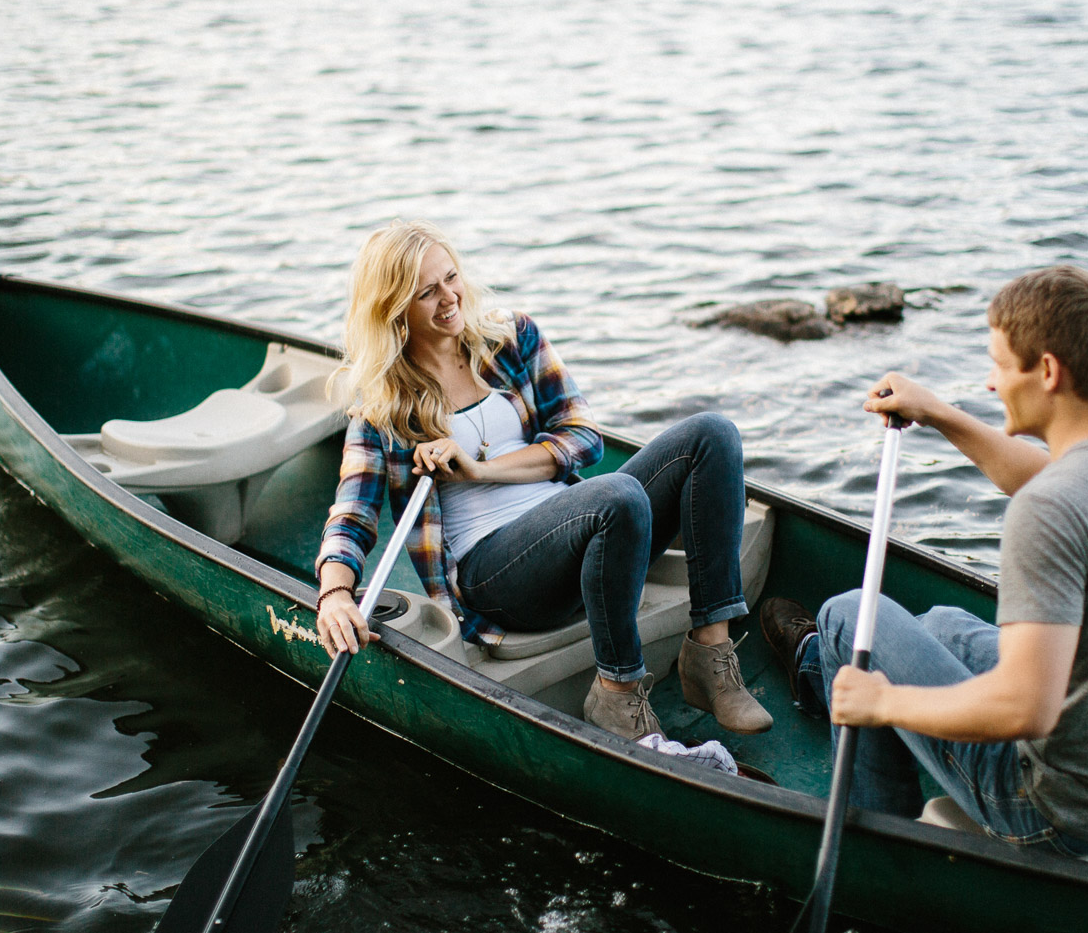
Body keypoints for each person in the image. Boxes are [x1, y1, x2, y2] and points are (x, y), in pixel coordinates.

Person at [761, 265, 1088, 856]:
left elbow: (1027, 707)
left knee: (850, 613)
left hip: (1055, 809)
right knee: (942, 623)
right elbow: (1058, 478)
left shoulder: (1050, 511)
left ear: (1047, 371)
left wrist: (884, 702)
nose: (992, 383)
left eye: (1000, 365)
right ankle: (825, 676)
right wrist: (939, 412)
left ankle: (874, 842)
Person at [314, 219, 772, 740]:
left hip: (580, 530)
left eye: (451, 277)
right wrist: (335, 594)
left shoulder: (512, 339)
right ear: (395, 308)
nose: (448, 298)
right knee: (616, 497)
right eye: (426, 292)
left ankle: (709, 656)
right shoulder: (383, 409)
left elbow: (583, 437)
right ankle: (617, 694)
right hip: (498, 574)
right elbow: (351, 514)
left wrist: (479, 467)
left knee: (712, 435)